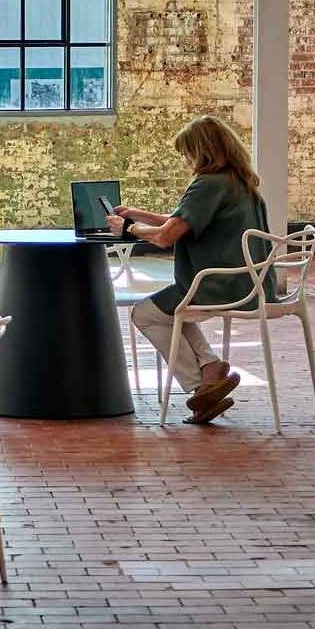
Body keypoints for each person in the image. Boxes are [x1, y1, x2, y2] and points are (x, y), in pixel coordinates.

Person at [112, 115, 269, 423]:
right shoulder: (241, 182)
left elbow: (166, 236)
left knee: (144, 313)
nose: (185, 160)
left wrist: (129, 228)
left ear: (202, 151)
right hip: (248, 282)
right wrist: (137, 214)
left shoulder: (208, 184)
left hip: (215, 284)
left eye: (186, 152)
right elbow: (181, 222)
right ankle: (210, 364)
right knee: (170, 311)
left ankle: (199, 389)